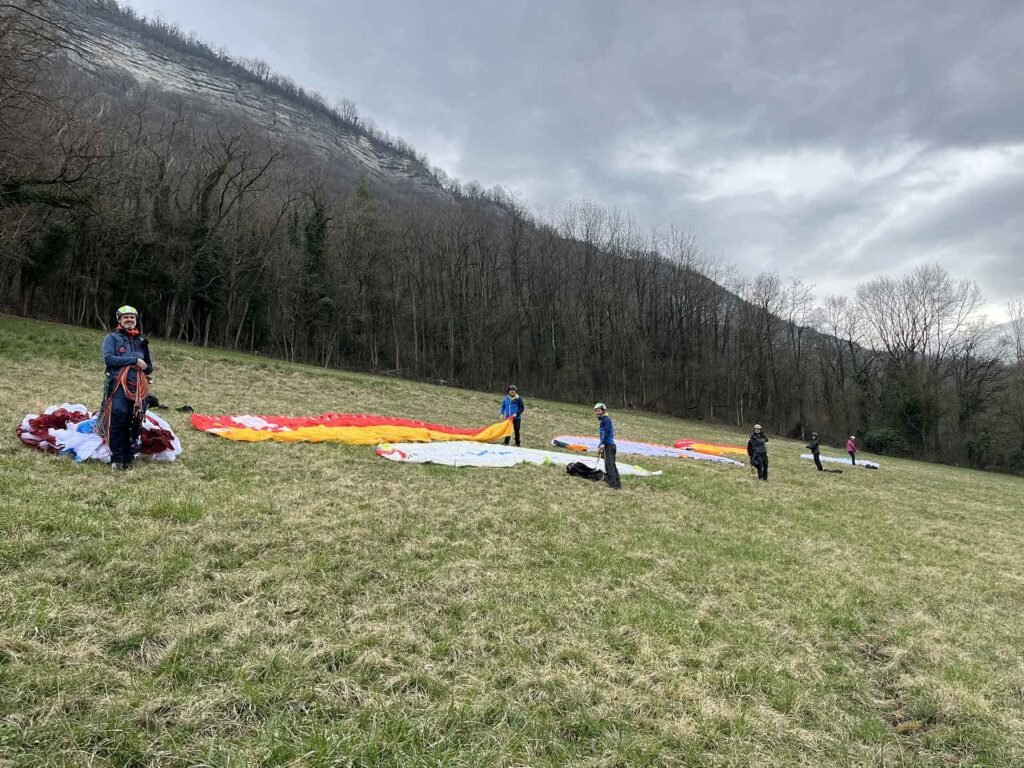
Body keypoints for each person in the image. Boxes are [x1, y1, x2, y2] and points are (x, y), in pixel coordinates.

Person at [100, 305, 153, 470]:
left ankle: (129, 457)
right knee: (119, 416)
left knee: (135, 419)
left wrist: (143, 367)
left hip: (138, 387)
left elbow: (149, 367)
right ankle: (116, 458)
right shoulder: (112, 338)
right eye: (126, 317)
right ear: (119, 320)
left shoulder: (141, 341)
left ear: (136, 320)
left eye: (132, 317)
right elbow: (109, 359)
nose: (129, 320)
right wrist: (133, 361)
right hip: (118, 385)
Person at [594, 402, 620, 490]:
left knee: (609, 465)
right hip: (609, 445)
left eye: (599, 411)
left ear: (604, 410)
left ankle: (613, 484)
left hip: (608, 445)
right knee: (612, 464)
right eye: (596, 411)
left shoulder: (606, 419)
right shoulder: (604, 419)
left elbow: (607, 432)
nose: (598, 413)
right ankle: (617, 483)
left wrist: (603, 444)